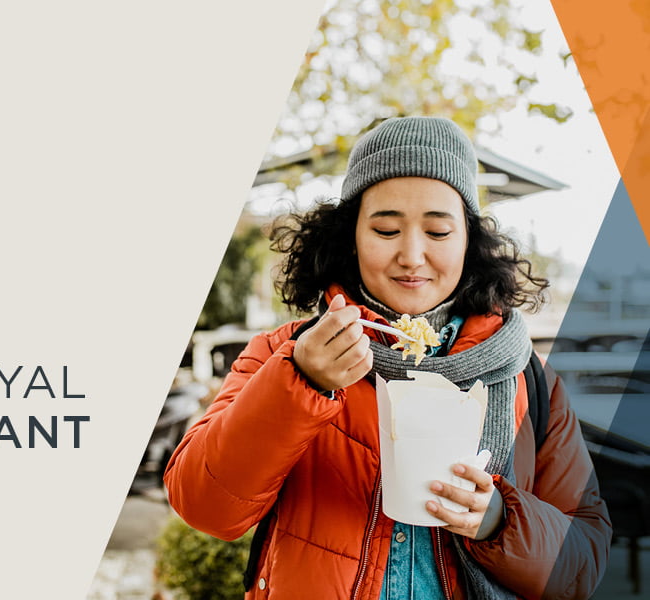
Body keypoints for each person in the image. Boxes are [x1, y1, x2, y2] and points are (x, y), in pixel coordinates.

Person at [164, 117, 611, 600]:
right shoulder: (285, 354)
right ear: (350, 236)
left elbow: (583, 561)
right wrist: (301, 383)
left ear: (469, 242)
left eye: (438, 232)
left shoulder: (528, 376)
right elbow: (204, 507)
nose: (412, 256)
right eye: (385, 229)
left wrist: (501, 521)